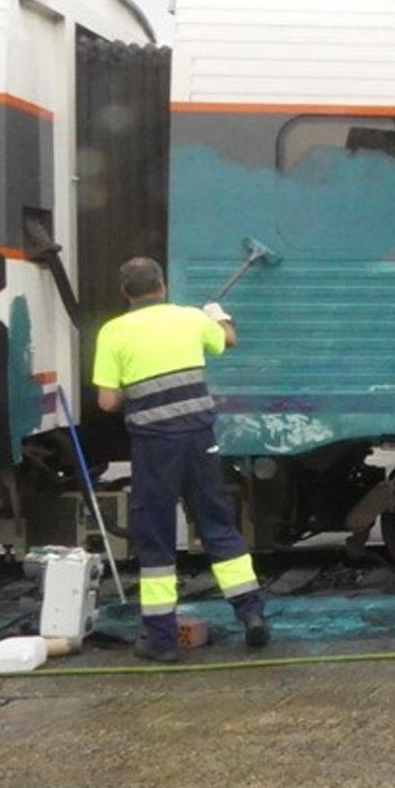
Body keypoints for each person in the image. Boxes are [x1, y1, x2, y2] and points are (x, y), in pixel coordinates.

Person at [93, 257, 269, 662]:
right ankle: (252, 615)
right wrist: (218, 315)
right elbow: (228, 340)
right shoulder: (190, 319)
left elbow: (106, 402)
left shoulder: (114, 332)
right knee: (217, 525)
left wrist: (126, 387)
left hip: (155, 448)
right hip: (198, 439)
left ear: (125, 294)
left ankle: (160, 641)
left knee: (155, 539)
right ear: (163, 286)